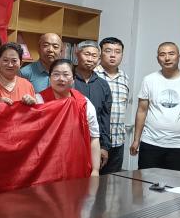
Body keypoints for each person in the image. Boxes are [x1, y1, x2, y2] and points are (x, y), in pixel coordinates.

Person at [130, 42, 180, 172]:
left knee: (179, 183)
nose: (167, 58)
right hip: (151, 143)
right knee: (146, 182)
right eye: (162, 54)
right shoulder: (149, 80)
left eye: (171, 54)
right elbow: (142, 111)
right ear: (157, 58)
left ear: (179, 57)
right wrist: (136, 140)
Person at [35, 59, 101, 177]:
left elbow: (94, 137)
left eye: (66, 75)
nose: (61, 79)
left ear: (73, 79)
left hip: (76, 163)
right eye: (56, 74)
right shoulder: (38, 101)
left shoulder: (84, 103)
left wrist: (95, 170)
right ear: (49, 77)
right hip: (46, 165)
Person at [72, 41, 113, 171]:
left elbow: (105, 118)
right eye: (87, 54)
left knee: (93, 179)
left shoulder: (103, 85)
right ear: (77, 54)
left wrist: (104, 146)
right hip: (71, 141)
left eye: (94, 56)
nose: (90, 59)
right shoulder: (68, 80)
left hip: (94, 143)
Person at [97, 37, 130, 175]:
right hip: (97, 141)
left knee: (114, 182)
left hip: (118, 141)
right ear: (100, 53)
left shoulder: (125, 77)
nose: (113, 55)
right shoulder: (93, 74)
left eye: (117, 51)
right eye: (108, 51)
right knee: (92, 182)